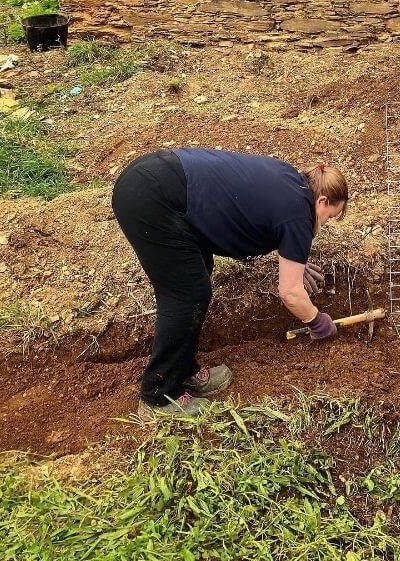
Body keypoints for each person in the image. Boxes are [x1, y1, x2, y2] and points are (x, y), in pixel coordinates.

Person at [111, 149, 347, 419]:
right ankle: (158, 395)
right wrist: (318, 322)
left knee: (198, 275)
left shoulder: (291, 180)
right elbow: (290, 293)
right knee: (187, 293)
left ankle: (183, 370)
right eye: (329, 215)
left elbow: (262, 215)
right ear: (322, 200)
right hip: (153, 198)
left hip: (160, 181)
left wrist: (294, 258)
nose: (324, 223)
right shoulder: (298, 214)